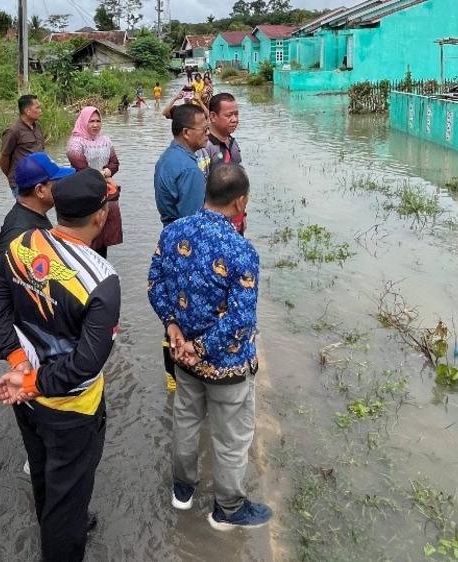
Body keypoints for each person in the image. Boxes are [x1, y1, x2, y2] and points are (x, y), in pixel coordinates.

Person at [0, 168, 120, 562]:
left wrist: (18, 366)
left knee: (45, 472)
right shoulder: (101, 280)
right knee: (69, 495)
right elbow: (85, 365)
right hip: (71, 408)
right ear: (100, 216)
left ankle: (57, 519)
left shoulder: (23, 244)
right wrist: (30, 382)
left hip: (26, 397)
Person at [147, 164, 272, 532]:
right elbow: (240, 321)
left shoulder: (173, 233)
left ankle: (183, 491)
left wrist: (173, 329)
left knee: (185, 421)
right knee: (231, 438)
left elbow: (155, 284)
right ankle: (227, 509)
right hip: (226, 366)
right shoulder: (241, 249)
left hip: (182, 356)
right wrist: (201, 349)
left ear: (206, 192)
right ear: (240, 201)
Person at [153, 103, 210, 392]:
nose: (207, 134)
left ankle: (171, 374)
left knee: (172, 307)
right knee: (187, 309)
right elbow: (192, 223)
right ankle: (184, 371)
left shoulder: (167, 159)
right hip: (184, 247)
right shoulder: (189, 169)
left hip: (169, 236)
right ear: (187, 132)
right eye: (203, 129)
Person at [0, 151, 73, 279]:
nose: (62, 187)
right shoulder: (18, 231)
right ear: (39, 190)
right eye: (57, 183)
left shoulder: (34, 213)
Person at [66, 106, 122, 258]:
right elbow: (81, 168)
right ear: (84, 122)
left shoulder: (105, 140)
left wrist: (106, 173)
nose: (95, 124)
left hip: (105, 192)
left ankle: (100, 270)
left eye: (98, 121)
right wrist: (106, 176)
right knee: (86, 234)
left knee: (103, 234)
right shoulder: (75, 143)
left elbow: (115, 163)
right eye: (91, 121)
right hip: (85, 192)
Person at [197, 93, 245, 234]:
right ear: (212, 116)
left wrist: (243, 214)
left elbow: (239, 182)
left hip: (236, 220)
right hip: (214, 224)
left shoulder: (233, 143)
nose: (234, 119)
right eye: (229, 115)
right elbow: (200, 189)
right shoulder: (205, 148)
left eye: (236, 114)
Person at [0, 95, 46, 196]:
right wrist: (12, 176)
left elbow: (41, 152)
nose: (40, 111)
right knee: (25, 210)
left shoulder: (38, 127)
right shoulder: (13, 131)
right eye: (37, 107)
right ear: (27, 111)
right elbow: (4, 157)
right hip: (21, 183)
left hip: (38, 179)